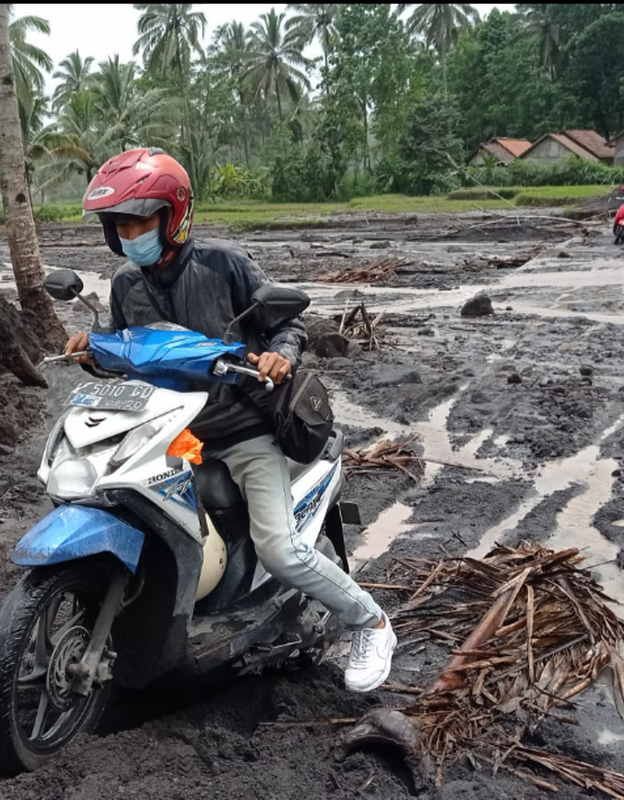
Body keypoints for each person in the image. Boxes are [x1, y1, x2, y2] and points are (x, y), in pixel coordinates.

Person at [64, 147, 397, 693]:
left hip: (243, 430)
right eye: (118, 224)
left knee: (280, 549)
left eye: (138, 219)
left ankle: (371, 622)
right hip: (172, 432)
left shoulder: (224, 263)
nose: (128, 234)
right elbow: (133, 354)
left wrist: (281, 355)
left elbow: (288, 322)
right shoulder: (126, 286)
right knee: (119, 506)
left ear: (173, 216)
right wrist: (93, 354)